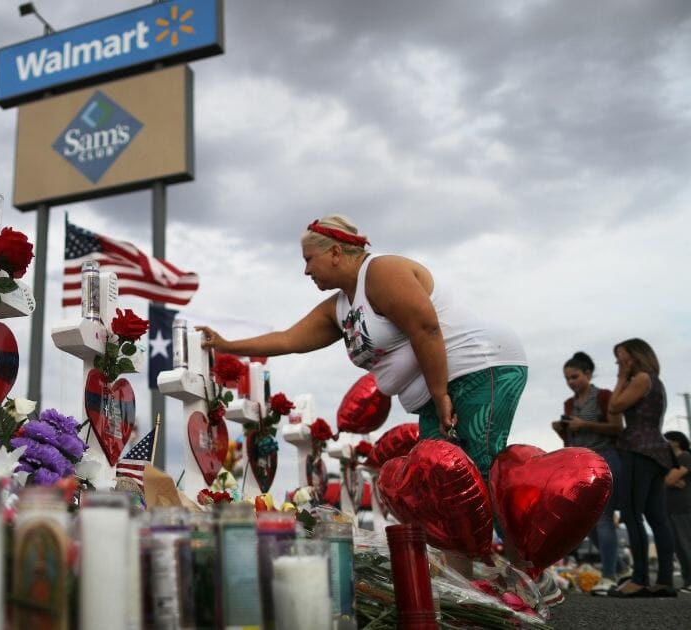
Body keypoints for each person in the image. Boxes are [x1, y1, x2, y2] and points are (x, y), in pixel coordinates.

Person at [197, 215, 528, 480]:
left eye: (309, 259)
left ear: (336, 253)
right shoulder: (339, 307)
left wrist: (441, 394)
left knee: (479, 469)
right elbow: (288, 339)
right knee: (439, 481)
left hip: (479, 369)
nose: (306, 270)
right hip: (437, 394)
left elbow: (425, 327)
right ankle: (468, 564)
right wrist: (226, 345)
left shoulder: (382, 272)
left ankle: (516, 561)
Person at [551, 351, 626, 595]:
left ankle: (609, 575)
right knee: (588, 523)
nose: (571, 382)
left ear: (588, 374)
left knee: (603, 518)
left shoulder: (604, 396)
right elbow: (571, 439)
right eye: (567, 378)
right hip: (581, 463)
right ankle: (620, 567)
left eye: (574, 377)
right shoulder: (569, 404)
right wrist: (563, 430)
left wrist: (584, 424)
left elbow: (617, 428)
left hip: (606, 458)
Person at [608, 338, 677, 598]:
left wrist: (621, 377)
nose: (618, 361)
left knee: (631, 512)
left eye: (621, 356)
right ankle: (665, 580)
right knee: (657, 517)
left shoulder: (640, 379)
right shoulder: (655, 381)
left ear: (634, 356)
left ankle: (639, 579)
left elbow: (614, 406)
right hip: (657, 450)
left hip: (639, 448)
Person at [663, 430, 691, 593]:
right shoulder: (669, 462)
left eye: (666, 440)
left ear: (676, 442)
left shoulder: (685, 456)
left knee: (686, 543)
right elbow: (666, 480)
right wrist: (668, 481)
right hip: (670, 507)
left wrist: (668, 480)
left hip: (683, 507)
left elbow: (668, 479)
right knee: (679, 547)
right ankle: (687, 580)